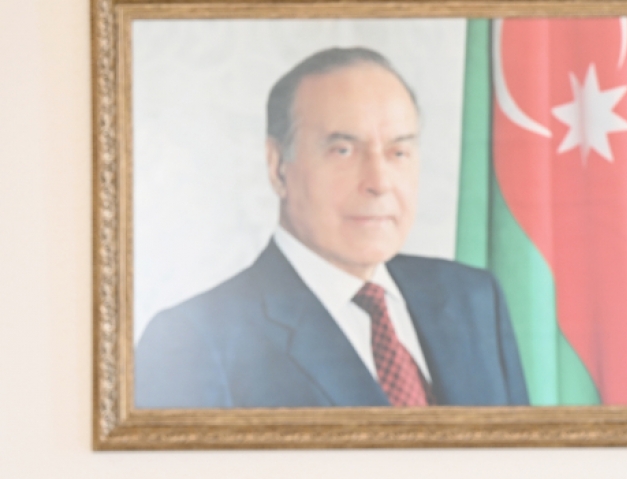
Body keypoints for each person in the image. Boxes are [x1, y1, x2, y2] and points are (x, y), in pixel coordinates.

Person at [135, 48, 528, 409]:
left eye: (399, 152)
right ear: (277, 167)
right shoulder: (195, 342)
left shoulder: (474, 300)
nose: (379, 182)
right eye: (343, 151)